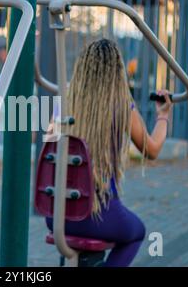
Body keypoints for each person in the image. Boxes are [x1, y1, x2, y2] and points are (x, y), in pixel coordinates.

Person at [45, 39, 173, 267]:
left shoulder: (63, 102)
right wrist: (163, 116)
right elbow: (151, 149)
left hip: (55, 215)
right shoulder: (122, 104)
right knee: (137, 232)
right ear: (117, 72)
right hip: (97, 215)